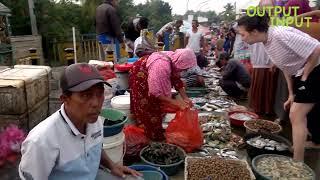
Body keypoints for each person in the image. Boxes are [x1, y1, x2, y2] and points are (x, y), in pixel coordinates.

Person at [19, 63, 141, 180]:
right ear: (65, 99)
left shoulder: (95, 121)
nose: (96, 103)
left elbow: (95, 146)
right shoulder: (40, 142)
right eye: (85, 96)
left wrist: (112, 166)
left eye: (99, 94)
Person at [237, 14, 320, 161]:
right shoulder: (266, 41)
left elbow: (317, 48)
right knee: (310, 112)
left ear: (254, 32)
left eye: (243, 34)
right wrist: (291, 93)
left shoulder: (280, 35)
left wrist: (306, 76)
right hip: (300, 73)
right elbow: (286, 67)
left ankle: (297, 163)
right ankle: (315, 142)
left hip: (315, 69)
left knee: (296, 115)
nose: (242, 38)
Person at [129, 49, 196, 141]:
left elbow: (176, 79)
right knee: (147, 106)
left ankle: (156, 129)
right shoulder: (161, 66)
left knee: (158, 108)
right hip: (140, 76)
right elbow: (155, 93)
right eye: (185, 67)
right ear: (181, 61)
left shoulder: (173, 58)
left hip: (151, 72)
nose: (184, 70)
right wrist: (177, 103)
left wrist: (185, 98)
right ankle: (150, 136)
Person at [248, 42, 278, 115]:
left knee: (266, 87)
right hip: (260, 62)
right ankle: (261, 108)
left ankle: (265, 109)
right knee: (263, 87)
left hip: (267, 63)